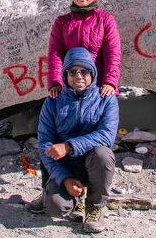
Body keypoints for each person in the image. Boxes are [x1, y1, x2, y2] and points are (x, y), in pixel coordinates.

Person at [27, 0, 122, 214]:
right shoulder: (63, 22)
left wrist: (109, 81)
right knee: (54, 136)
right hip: (68, 85)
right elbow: (55, 53)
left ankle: (94, 201)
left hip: (95, 88)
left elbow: (112, 52)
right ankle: (51, 187)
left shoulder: (104, 20)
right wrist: (57, 82)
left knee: (98, 145)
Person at [37, 47, 119, 233]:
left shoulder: (106, 99)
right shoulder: (53, 101)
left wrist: (69, 146)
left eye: (84, 71)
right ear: (65, 75)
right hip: (68, 166)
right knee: (55, 207)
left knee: (103, 154)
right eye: (73, 71)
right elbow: (44, 145)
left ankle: (94, 206)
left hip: (92, 162)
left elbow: (106, 135)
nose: (79, 76)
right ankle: (57, 195)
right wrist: (65, 178)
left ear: (93, 73)